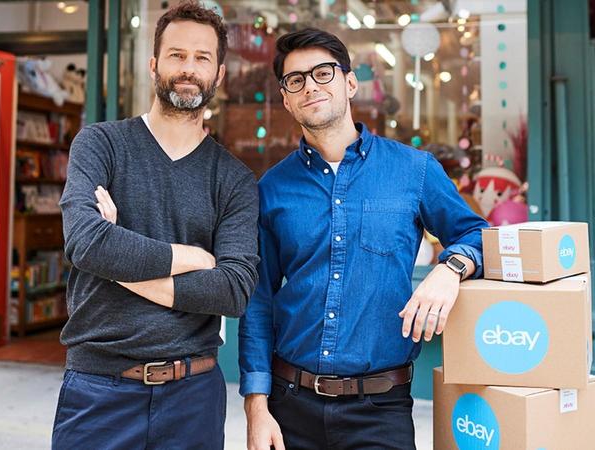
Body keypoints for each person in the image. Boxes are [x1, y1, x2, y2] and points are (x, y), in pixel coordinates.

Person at [239, 28, 488, 450]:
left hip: (381, 409)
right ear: (285, 98)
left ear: (350, 83)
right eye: (295, 80)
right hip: (290, 405)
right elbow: (258, 303)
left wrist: (451, 268)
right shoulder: (272, 189)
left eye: (323, 73)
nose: (310, 86)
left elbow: (478, 234)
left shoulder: (414, 170)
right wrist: (256, 409)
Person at [52, 3, 259, 449]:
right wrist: (192, 258)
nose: (189, 68)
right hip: (98, 390)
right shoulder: (100, 144)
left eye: (202, 58)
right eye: (176, 55)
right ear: (153, 65)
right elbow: (85, 243)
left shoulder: (234, 179)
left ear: (219, 74)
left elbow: (233, 290)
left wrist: (115, 259)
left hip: (193, 394)